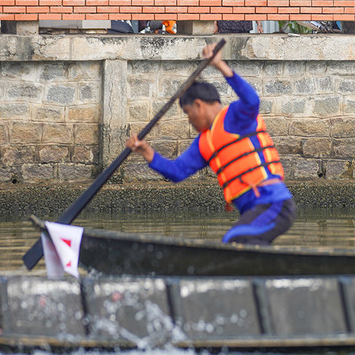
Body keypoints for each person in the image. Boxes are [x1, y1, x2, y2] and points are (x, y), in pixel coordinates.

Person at [127, 42, 296, 245]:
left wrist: (221, 65)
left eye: (188, 115)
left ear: (198, 105)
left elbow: (252, 100)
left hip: (274, 203)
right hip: (254, 209)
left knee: (235, 239)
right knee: (242, 241)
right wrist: (147, 152)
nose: (190, 122)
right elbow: (177, 172)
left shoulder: (235, 117)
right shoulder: (204, 142)